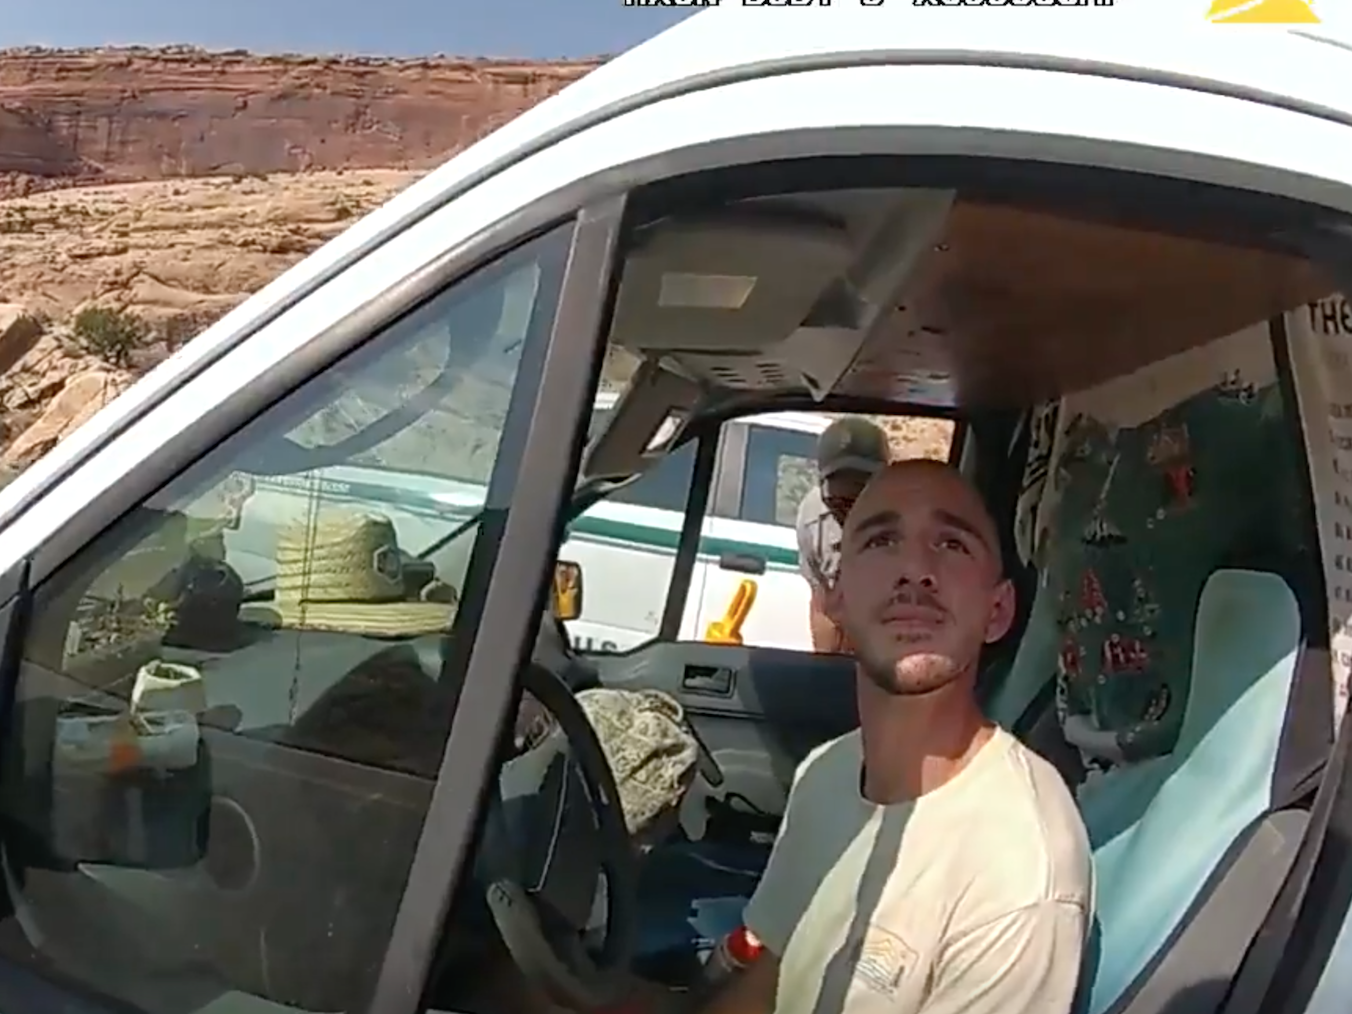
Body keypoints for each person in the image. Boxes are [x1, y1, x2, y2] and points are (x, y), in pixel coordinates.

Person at [710, 460, 1093, 1014]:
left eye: (953, 544)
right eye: (882, 540)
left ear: (998, 609)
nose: (915, 569)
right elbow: (770, 981)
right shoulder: (826, 772)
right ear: (834, 596)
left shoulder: (1020, 869)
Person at [796, 418, 891, 652]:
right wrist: (824, 670)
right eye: (839, 502)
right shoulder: (812, 518)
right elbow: (821, 605)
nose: (852, 513)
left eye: (861, 498)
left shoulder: (907, 520)